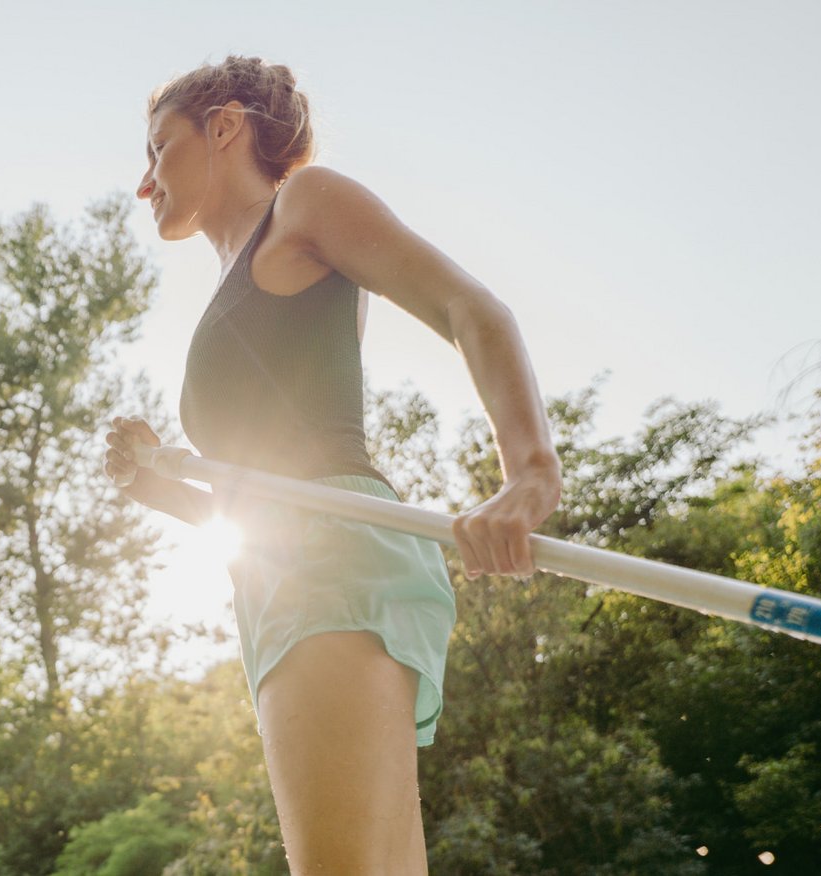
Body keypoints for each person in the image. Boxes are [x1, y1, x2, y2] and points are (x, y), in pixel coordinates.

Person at [100, 56, 562, 874]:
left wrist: (530, 474)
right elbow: (257, 509)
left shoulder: (303, 204)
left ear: (226, 128)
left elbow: (470, 307)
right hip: (294, 564)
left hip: (331, 558)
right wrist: (166, 492)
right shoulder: (235, 281)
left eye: (157, 149)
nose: (144, 183)